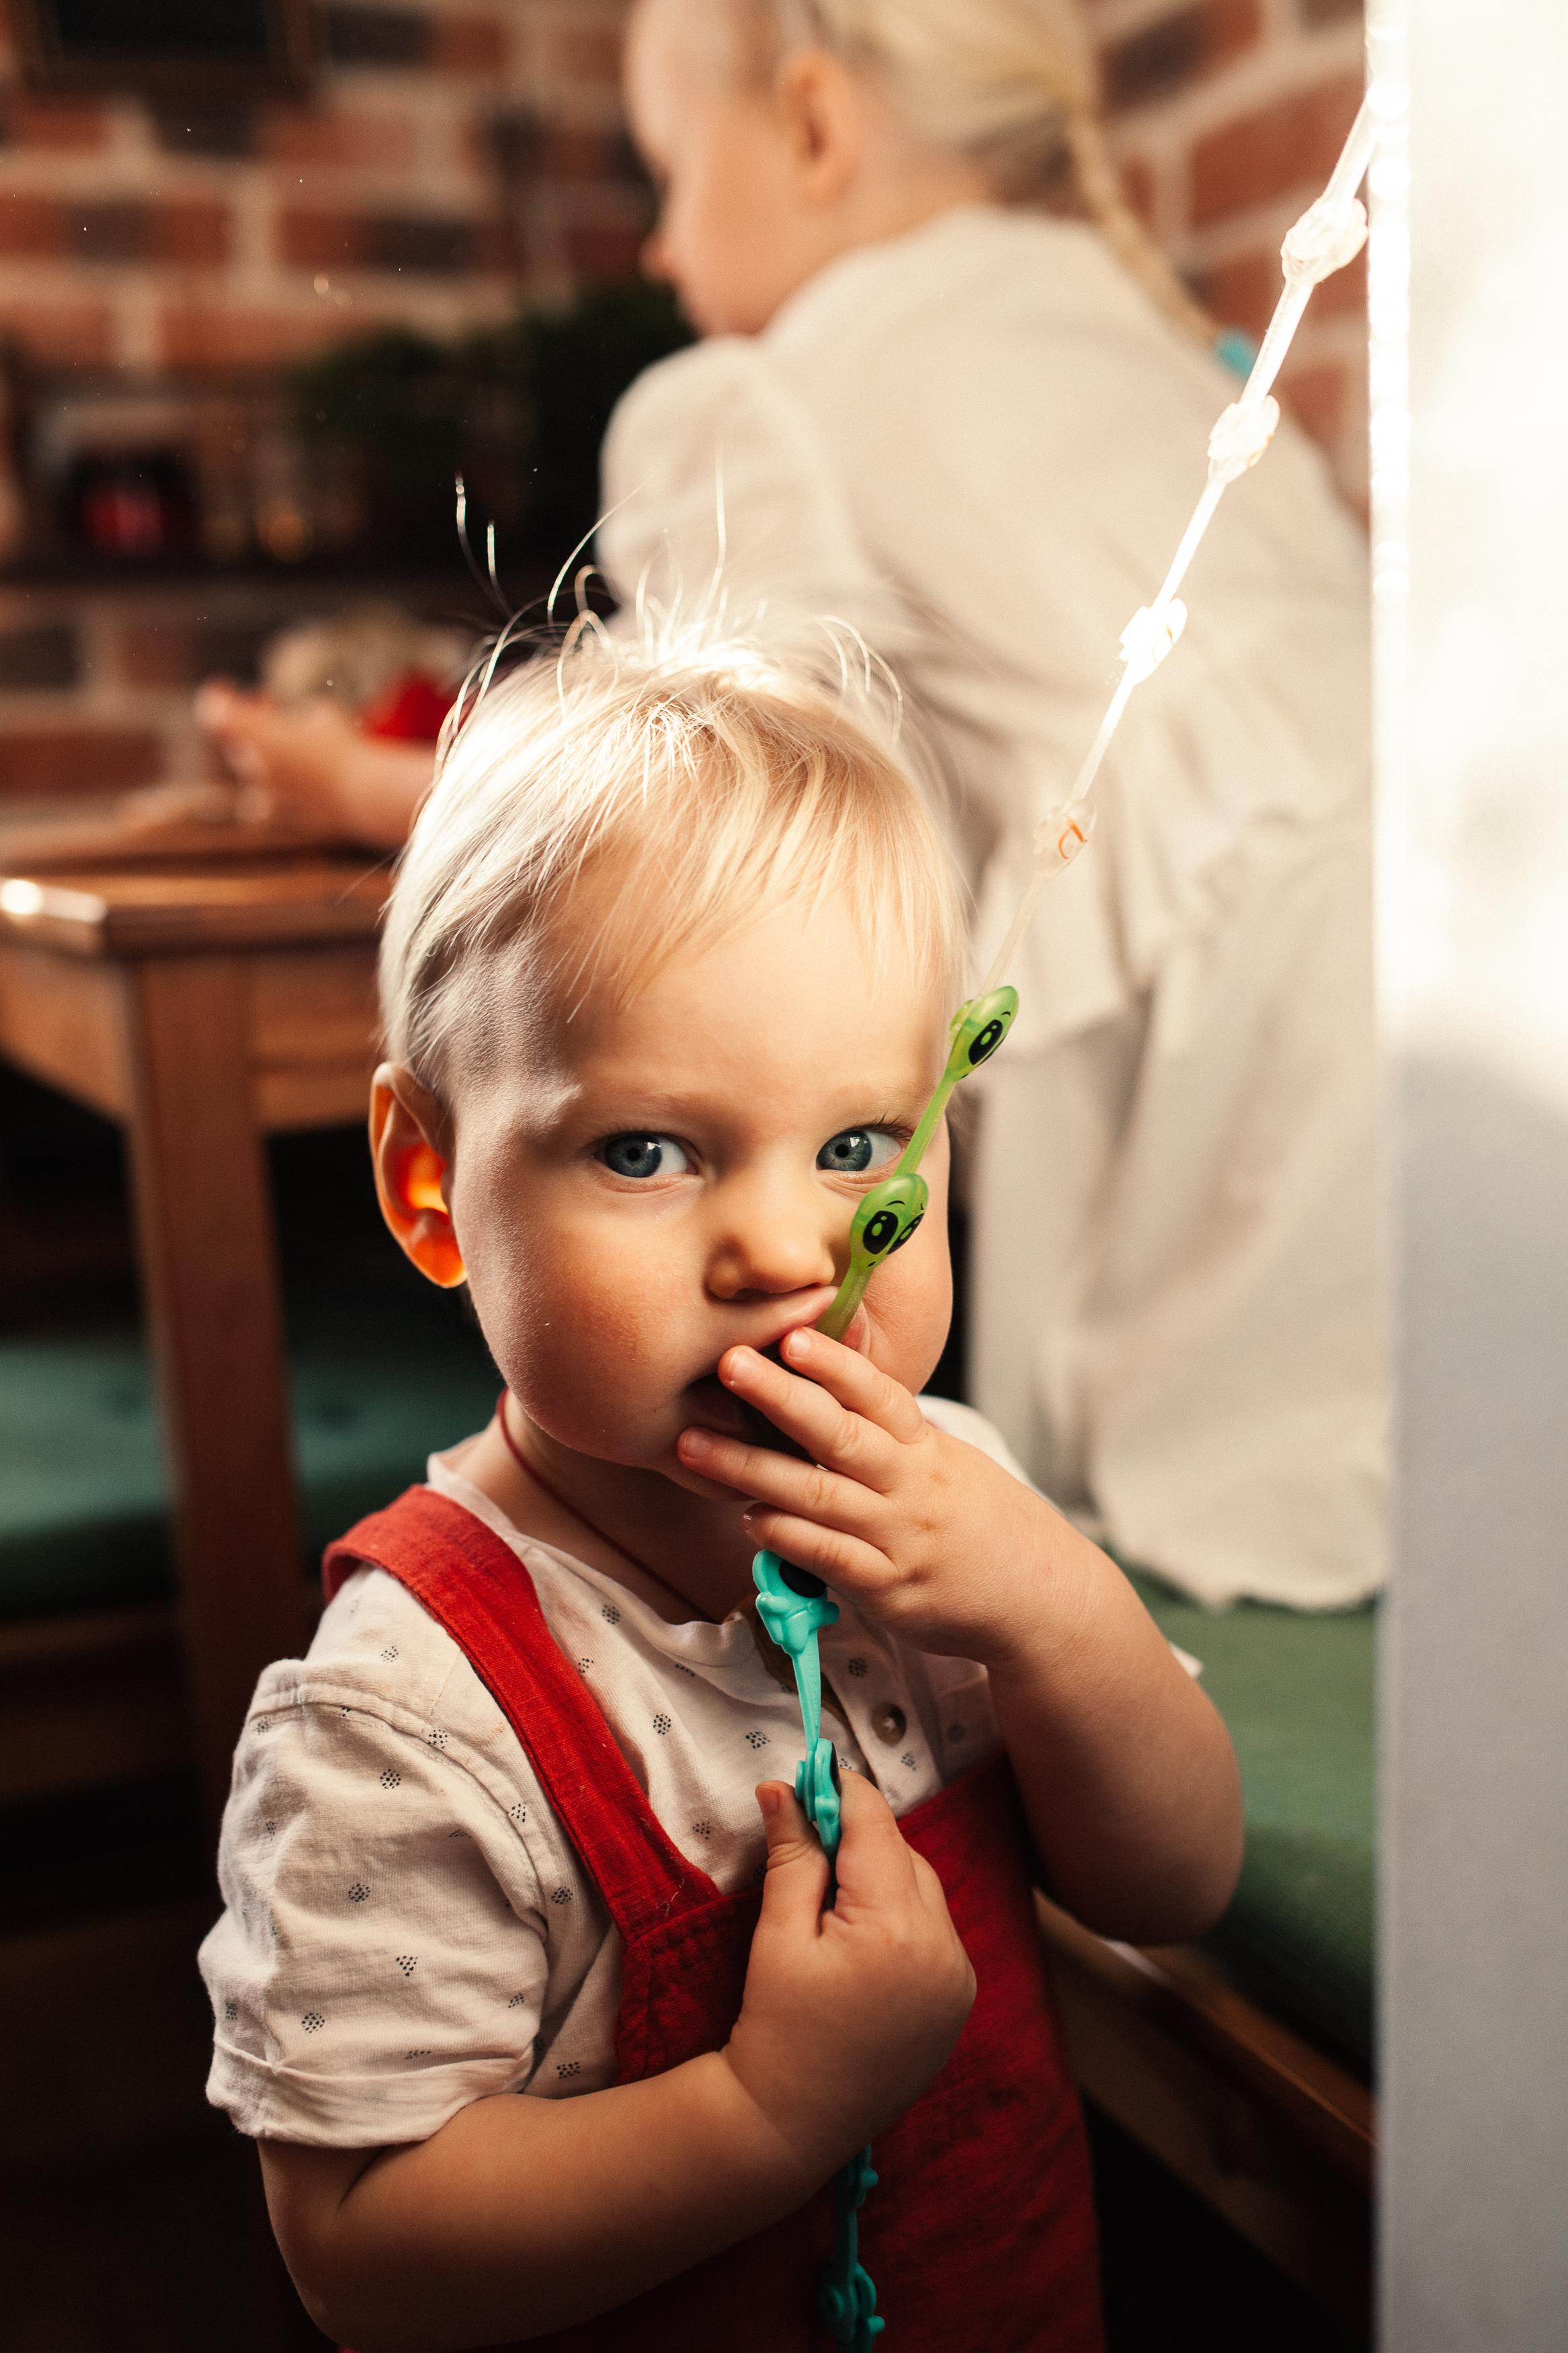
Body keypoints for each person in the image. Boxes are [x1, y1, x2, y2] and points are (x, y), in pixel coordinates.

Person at [198, 0, 1378, 1611]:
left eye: (671, 178)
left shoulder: (746, 399)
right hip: (1448, 938)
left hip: (1234, 1054)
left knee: (1136, 1536)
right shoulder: (1169, 355)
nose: (667, 257)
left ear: (816, 129)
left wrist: (367, 787)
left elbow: (707, 794)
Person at [199, 635, 1242, 2349]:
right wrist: (767, 2109)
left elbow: (1176, 1882)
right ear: (432, 1185)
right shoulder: (409, 1711)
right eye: (648, 1151)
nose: (781, 1249)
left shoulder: (957, 1510)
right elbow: (363, 2254)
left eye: (857, 1149)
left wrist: (1055, 1610)